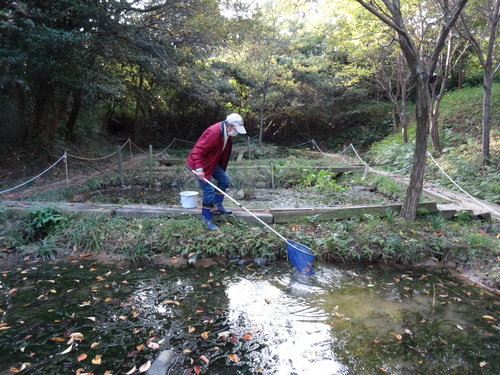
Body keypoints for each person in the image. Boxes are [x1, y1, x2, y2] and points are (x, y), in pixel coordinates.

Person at [186, 113, 247, 230]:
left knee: (224, 179)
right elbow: (196, 152)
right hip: (200, 164)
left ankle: (217, 206)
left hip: (211, 162)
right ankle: (207, 220)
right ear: (229, 125)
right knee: (208, 190)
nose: (237, 132)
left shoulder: (228, 133)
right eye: (236, 129)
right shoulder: (213, 132)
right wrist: (199, 169)